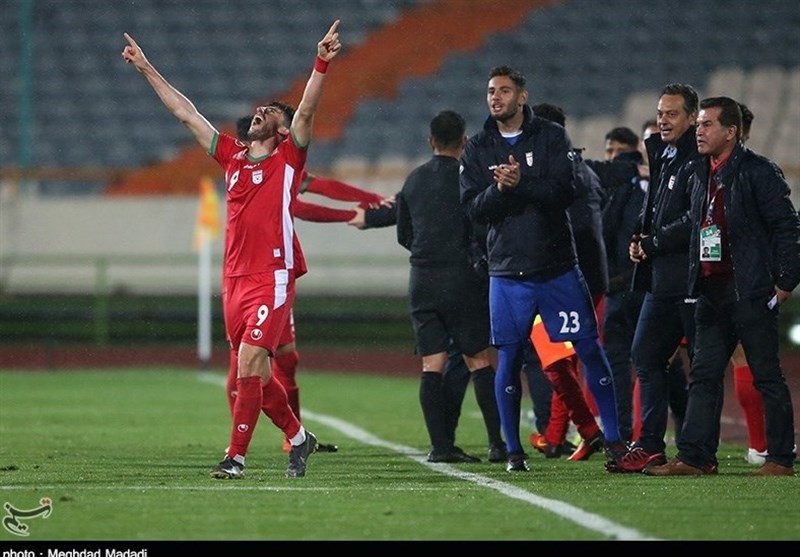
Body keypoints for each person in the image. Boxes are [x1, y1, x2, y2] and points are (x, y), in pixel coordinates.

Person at [122, 20, 342, 479]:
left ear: (282, 132)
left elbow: (305, 112)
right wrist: (146, 68)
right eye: (263, 108)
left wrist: (321, 62)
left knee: (248, 363)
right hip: (234, 280)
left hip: (272, 275)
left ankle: (235, 457)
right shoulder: (232, 156)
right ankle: (301, 438)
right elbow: (187, 114)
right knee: (258, 374)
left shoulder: (288, 158)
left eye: (272, 112)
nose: (263, 110)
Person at [460, 65, 625, 473]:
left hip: (557, 269)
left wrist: (521, 184)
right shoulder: (478, 147)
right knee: (510, 358)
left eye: (504, 90)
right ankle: (514, 452)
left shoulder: (551, 137)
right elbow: (472, 210)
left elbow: (565, 191)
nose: (495, 97)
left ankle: (617, 442)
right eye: (490, 91)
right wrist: (500, 189)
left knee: (589, 348)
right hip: (508, 273)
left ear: (522, 96)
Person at [645, 96, 799, 477]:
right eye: (698, 124)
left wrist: (784, 282)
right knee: (705, 374)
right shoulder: (699, 172)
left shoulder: (759, 172)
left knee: (766, 375)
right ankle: (696, 457)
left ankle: (780, 458)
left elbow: (788, 227)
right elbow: (696, 227)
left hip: (749, 289)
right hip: (710, 290)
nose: (699, 130)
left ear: (731, 132)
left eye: (707, 124)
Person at [231, 115, 387, 454]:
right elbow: (300, 206)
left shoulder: (286, 165)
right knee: (247, 361)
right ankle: (254, 437)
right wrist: (351, 214)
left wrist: (371, 197)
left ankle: (294, 438)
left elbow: (321, 186)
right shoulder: (260, 165)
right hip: (253, 272)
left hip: (274, 272)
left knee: (284, 357)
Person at [395, 109, 505, 463]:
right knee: (478, 361)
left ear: (430, 141)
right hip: (462, 279)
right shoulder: (469, 178)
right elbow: (482, 225)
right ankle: (497, 444)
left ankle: (440, 447)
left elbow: (404, 235)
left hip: (422, 280)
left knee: (432, 364)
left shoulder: (412, 180)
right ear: (464, 140)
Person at [608, 83, 700, 474]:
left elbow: (694, 218)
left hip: (694, 280)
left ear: (692, 119)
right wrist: (640, 244)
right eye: (660, 113)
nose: (663, 120)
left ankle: (699, 451)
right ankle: (650, 446)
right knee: (645, 355)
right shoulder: (666, 156)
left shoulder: (698, 160)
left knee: (705, 368)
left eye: (672, 114)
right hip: (660, 279)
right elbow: (659, 213)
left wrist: (654, 242)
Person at [522, 103, 609, 461]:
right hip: (589, 277)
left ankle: (589, 432)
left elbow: (570, 227)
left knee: (556, 360)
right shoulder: (583, 172)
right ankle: (560, 435)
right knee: (569, 359)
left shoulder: (559, 175)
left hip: (563, 278)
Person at [584, 126, 647, 444]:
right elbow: (606, 233)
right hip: (620, 288)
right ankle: (622, 431)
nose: (614, 159)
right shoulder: (618, 190)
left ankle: (654, 433)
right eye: (610, 153)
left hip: (653, 289)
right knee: (616, 360)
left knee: (655, 363)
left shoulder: (670, 185)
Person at [728, 102, 769, 465]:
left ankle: (761, 444)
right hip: (726, 275)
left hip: (730, 277)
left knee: (741, 357)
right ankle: (760, 444)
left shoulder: (749, 173)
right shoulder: (758, 170)